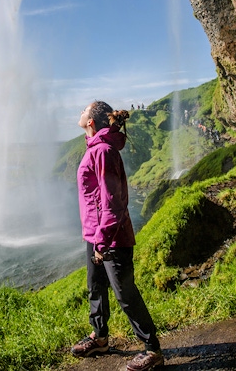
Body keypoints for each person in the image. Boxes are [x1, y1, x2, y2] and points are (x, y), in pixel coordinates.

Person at [71, 100, 164, 371]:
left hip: (110, 237)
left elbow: (114, 202)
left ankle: (152, 349)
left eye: (84, 110)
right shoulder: (94, 148)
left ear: (91, 121)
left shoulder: (102, 151)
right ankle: (99, 337)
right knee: (96, 287)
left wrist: (102, 239)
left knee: (124, 293)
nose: (80, 112)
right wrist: (93, 237)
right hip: (95, 235)